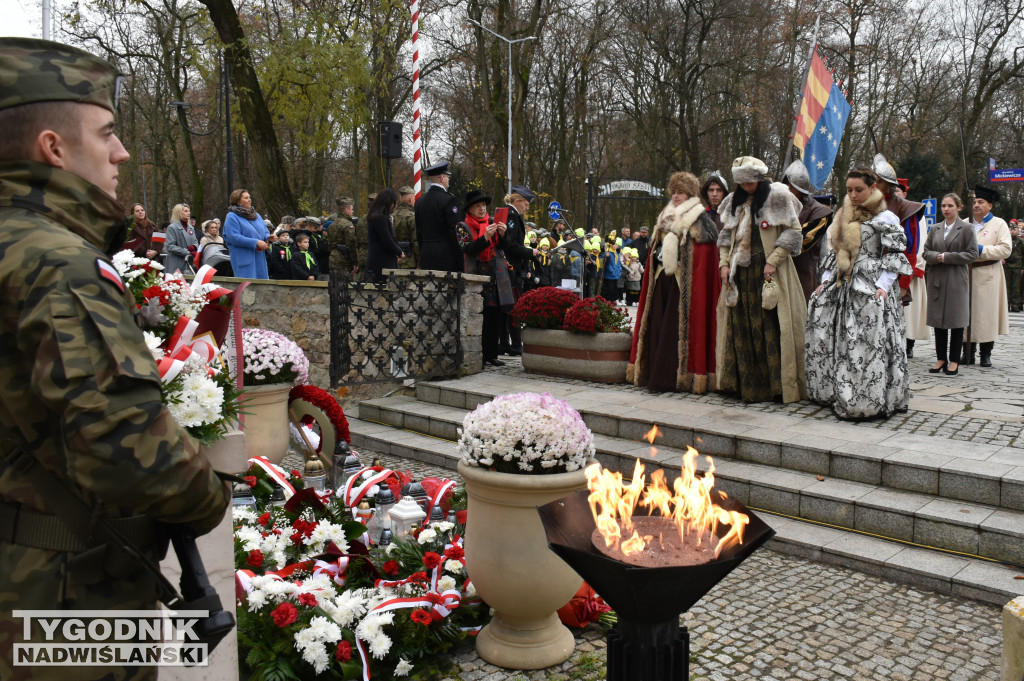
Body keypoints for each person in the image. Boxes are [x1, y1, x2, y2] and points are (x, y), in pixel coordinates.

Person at [0, 37, 229, 680]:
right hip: (63, 596)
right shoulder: (57, 263)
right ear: (54, 147)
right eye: (105, 134)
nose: (122, 151)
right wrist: (207, 496)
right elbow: (123, 443)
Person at [805, 166, 912, 419]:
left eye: (859, 190)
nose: (853, 195)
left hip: (871, 281)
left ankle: (868, 396)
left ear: (872, 188)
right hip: (843, 281)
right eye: (849, 190)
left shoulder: (886, 218)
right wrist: (827, 279)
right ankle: (835, 390)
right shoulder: (842, 215)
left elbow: (895, 255)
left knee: (866, 341)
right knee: (834, 332)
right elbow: (834, 251)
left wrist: (883, 287)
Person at [716, 156, 807, 403]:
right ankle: (742, 384)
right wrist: (724, 264)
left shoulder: (779, 197)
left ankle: (775, 386)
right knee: (741, 327)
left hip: (770, 272)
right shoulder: (732, 202)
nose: (745, 187)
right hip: (740, 275)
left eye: (749, 182)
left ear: (758, 178)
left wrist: (773, 259)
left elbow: (794, 232)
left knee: (771, 325)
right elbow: (725, 236)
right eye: (741, 183)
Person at [629, 171, 722, 393]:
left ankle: (677, 376)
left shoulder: (701, 220)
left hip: (684, 284)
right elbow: (654, 247)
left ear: (690, 194)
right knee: (659, 325)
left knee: (676, 329)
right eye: (674, 192)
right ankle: (653, 371)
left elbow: (703, 255)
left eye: (681, 192)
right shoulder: (665, 216)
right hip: (662, 280)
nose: (676, 196)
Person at [456, 189, 516, 367]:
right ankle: (479, 355)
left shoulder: (492, 222)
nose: (482, 209)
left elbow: (505, 247)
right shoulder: (462, 226)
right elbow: (467, 248)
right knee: (477, 315)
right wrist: (485, 237)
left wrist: (503, 234)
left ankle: (491, 353)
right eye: (477, 206)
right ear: (470, 209)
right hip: (476, 275)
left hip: (496, 275)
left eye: (483, 205)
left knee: (495, 315)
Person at [921, 193, 977, 376]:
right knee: (938, 320)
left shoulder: (967, 228)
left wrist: (946, 257)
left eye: (950, 206)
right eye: (944, 205)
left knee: (956, 320)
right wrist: (934, 257)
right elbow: (926, 251)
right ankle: (940, 358)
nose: (946, 209)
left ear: (959, 207)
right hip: (937, 278)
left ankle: (954, 360)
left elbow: (972, 254)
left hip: (956, 279)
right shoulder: (935, 228)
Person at [963, 185, 1012, 366]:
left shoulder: (999, 224)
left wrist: (981, 250)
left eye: (980, 202)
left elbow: (1006, 248)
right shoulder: (965, 223)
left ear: (989, 206)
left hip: (988, 274)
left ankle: (985, 353)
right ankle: (967, 352)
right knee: (965, 314)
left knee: (985, 315)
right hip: (966, 274)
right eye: (974, 202)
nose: (976, 205)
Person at [781, 159, 833, 302]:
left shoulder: (819, 212)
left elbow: (801, 242)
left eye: (792, 186)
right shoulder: (777, 206)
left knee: (802, 318)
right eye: (786, 185)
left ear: (800, 189)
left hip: (804, 274)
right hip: (777, 272)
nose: (788, 189)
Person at [499, 186, 541, 353]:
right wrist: (530, 252)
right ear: (517, 201)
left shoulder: (513, 215)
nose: (527, 207)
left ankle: (506, 343)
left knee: (508, 306)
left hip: (512, 265)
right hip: (510, 266)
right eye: (526, 204)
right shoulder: (512, 216)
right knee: (512, 306)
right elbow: (510, 245)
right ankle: (515, 344)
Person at [415, 161, 462, 272]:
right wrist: (460, 258)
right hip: (445, 255)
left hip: (426, 253)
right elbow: (454, 231)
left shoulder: (420, 201)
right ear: (442, 178)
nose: (448, 180)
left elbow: (419, 232)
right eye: (447, 177)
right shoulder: (449, 199)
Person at [223, 188, 270, 279]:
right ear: (238, 201)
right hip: (244, 259)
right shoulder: (232, 216)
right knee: (247, 289)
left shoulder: (257, 216)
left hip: (260, 258)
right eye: (246, 198)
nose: (249, 199)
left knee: (262, 288)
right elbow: (234, 237)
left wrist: (269, 237)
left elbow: (265, 232)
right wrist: (256, 242)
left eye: (249, 197)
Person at [365, 188, 405, 283]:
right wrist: (399, 252)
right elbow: (387, 240)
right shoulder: (380, 218)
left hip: (377, 257)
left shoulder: (374, 216)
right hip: (382, 260)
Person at [328, 196, 361, 277]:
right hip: (344, 260)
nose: (352, 211)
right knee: (346, 285)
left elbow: (329, 243)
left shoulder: (332, 224)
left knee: (335, 286)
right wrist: (355, 263)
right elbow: (351, 245)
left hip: (333, 257)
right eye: (352, 209)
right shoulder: (348, 225)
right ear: (346, 210)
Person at [164, 202, 198, 274]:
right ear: (179, 213)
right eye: (185, 211)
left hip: (189, 262)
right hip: (176, 262)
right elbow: (170, 246)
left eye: (189, 211)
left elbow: (196, 242)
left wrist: (194, 247)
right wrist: (186, 251)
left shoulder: (191, 228)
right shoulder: (172, 227)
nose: (188, 213)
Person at [393, 185, 418, 268]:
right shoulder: (412, 217)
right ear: (411, 199)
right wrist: (420, 262)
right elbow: (416, 241)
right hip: (409, 261)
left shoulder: (391, 216)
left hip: (393, 259)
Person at [1003, 219, 1023, 312]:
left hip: (1017, 267)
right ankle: (1006, 304)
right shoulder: (1005, 241)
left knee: (1016, 287)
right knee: (1006, 286)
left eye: (1014, 229)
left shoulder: (1021, 242)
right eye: (1010, 229)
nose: (1012, 231)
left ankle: (1015, 304)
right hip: (1007, 266)